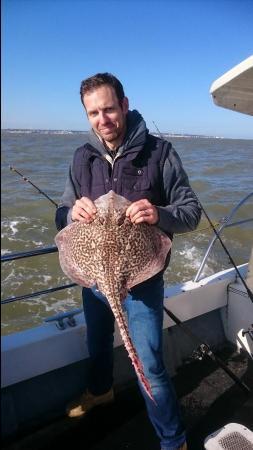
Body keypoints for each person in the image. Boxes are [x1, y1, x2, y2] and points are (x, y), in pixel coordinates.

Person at [55, 72, 201, 450]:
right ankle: (101, 391)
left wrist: (159, 214)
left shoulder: (161, 152)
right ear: (87, 116)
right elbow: (61, 215)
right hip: (94, 280)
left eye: (108, 109)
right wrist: (72, 213)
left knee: (148, 364)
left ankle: (173, 440)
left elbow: (191, 211)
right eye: (93, 113)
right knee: (98, 343)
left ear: (124, 104)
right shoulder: (81, 157)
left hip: (140, 283)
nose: (102, 119)